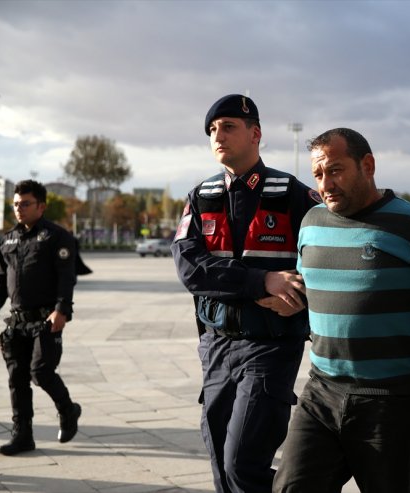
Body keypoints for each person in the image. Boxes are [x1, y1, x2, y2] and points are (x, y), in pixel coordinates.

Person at [272, 128, 410, 492]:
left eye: (335, 170)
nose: (326, 183)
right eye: (318, 174)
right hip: (321, 391)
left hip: (390, 402)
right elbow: (316, 287)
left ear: (368, 165)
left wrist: (399, 334)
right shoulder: (311, 223)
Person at [171, 94, 321, 493]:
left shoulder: (294, 195)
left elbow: (322, 263)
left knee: (242, 461)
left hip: (270, 346)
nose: (218, 135)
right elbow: (189, 267)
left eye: (228, 126)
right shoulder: (200, 197)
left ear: (255, 134)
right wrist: (261, 282)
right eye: (212, 130)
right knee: (220, 460)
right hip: (216, 346)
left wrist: (297, 293)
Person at [0, 179, 82, 456]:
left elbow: (67, 276)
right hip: (16, 321)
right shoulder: (8, 239)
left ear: (41, 206)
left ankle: (68, 409)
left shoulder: (57, 237)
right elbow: (2, 278)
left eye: (25, 204)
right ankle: (23, 435)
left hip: (46, 319)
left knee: (40, 372)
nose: (19, 209)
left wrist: (62, 309)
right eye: (15, 204)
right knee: (17, 378)